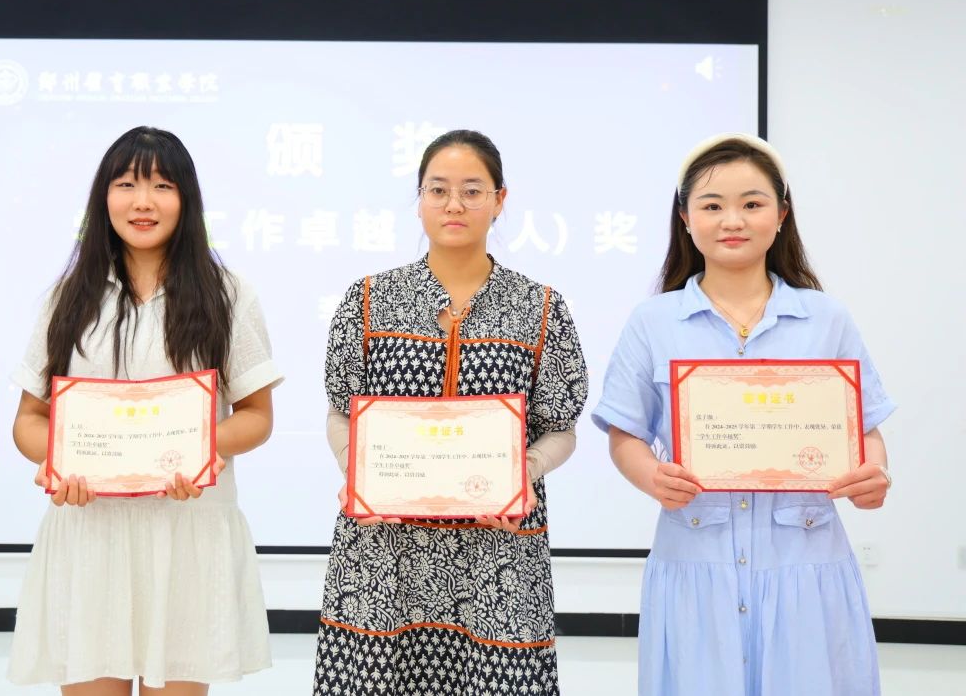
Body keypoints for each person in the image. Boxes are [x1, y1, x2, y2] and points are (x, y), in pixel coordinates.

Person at [592, 133, 894, 696]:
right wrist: (652, 477)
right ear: (686, 219)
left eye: (752, 203)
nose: (732, 220)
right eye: (712, 206)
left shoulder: (827, 319)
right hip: (695, 559)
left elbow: (865, 429)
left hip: (806, 561)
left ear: (781, 215)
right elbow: (625, 434)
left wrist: (872, 474)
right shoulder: (653, 322)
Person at [311, 129, 589, 695]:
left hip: (499, 553)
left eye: (472, 190)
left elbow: (560, 428)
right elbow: (341, 413)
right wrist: (356, 471)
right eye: (437, 190)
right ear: (419, 199)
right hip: (384, 552)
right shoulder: (368, 299)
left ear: (500, 199)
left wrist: (526, 471)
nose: (454, 205)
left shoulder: (540, 307)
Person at [8, 126, 282, 695]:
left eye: (162, 186)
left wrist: (196, 452)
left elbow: (257, 414)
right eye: (127, 184)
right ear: (103, 197)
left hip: (186, 530)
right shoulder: (67, 297)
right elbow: (29, 420)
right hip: (91, 531)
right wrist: (56, 463)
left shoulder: (229, 293)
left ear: (187, 200)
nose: (143, 202)